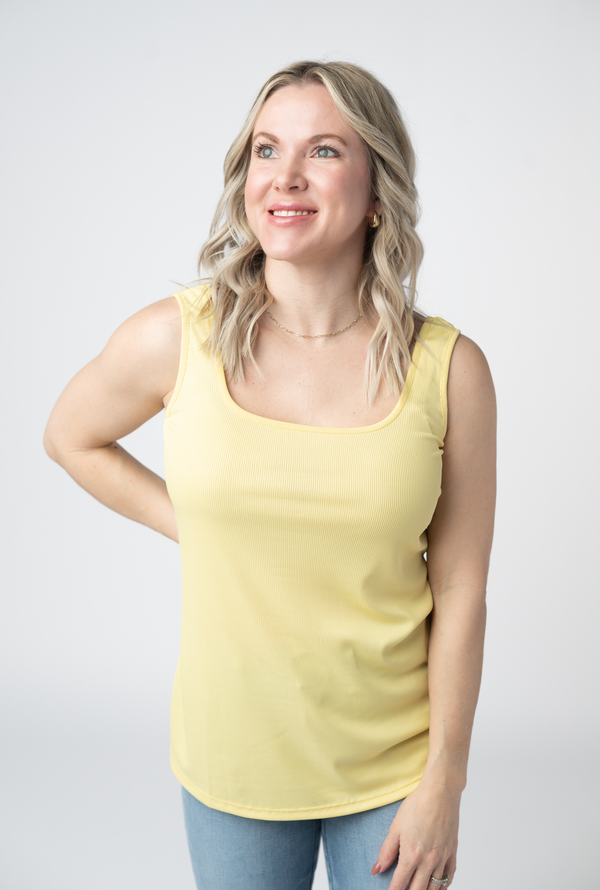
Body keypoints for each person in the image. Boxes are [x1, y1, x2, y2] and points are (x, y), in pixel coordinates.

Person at [44, 61, 496, 890]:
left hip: (393, 765)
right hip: (234, 759)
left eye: (323, 150)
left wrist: (446, 781)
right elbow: (70, 437)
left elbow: (462, 589)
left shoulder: (451, 369)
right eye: (265, 150)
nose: (283, 177)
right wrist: (196, 525)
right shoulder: (177, 338)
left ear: (378, 190)